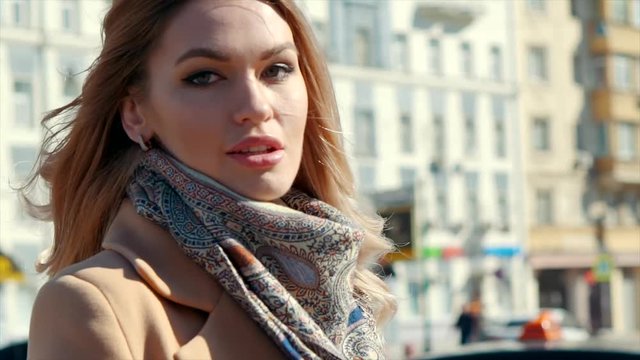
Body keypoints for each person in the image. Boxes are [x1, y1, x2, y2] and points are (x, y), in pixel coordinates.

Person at [22, 0, 396, 359]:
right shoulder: (92, 305)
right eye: (204, 77)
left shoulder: (344, 282)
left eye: (276, 70)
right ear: (136, 113)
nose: (256, 107)